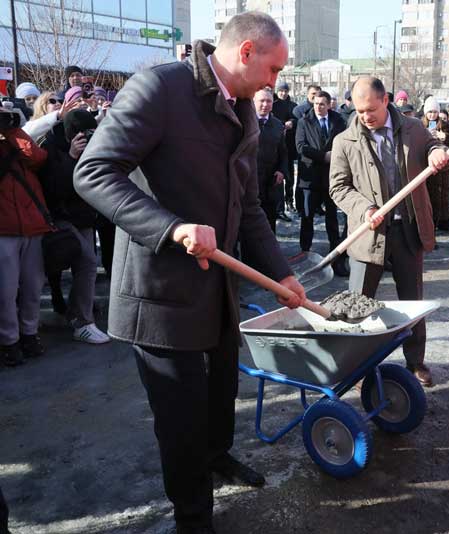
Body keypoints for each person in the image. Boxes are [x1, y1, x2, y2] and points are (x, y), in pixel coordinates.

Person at [74, 12, 306, 533]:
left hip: (217, 283)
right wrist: (172, 227)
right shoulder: (159, 88)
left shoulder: (244, 109)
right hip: (160, 290)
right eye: (273, 69)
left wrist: (280, 274)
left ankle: (218, 458)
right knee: (180, 419)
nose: (276, 83)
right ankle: (193, 515)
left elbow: (248, 207)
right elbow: (92, 172)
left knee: (221, 393)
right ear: (246, 52)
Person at [329, 76, 448, 387]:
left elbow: (434, 144)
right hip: (368, 235)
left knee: (412, 302)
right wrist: (363, 208)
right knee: (357, 303)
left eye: (370, 109)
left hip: (408, 230)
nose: (364, 116)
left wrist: (438, 151)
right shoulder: (345, 140)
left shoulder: (413, 129)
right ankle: (352, 365)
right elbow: (338, 188)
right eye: (358, 110)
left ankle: (416, 363)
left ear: (385, 100)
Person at [40, 110, 111, 343]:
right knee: (89, 262)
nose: (89, 137)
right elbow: (54, 191)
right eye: (84, 133)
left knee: (87, 267)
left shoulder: (94, 145)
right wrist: (71, 158)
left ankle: (79, 313)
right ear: (73, 134)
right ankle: (82, 322)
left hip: (85, 218)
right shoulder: (51, 147)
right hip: (61, 218)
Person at [0, 107, 49, 366]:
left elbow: (37, 157)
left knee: (32, 286)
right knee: (5, 291)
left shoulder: (15, 137)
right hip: (4, 228)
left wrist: (13, 128)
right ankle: (9, 340)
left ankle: (29, 333)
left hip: (32, 224)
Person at [295, 90, 346, 260]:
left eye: (322, 104)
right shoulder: (304, 121)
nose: (318, 107)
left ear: (329, 105)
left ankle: (335, 249)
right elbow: (301, 146)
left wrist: (335, 155)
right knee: (307, 216)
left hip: (331, 176)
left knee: (332, 216)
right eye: (316, 103)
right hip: (310, 177)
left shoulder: (338, 121)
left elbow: (344, 142)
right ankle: (305, 250)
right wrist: (322, 156)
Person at [254, 88, 288, 232]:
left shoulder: (278, 125)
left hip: (270, 182)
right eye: (262, 101)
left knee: (269, 220)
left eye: (268, 101)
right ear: (254, 101)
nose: (265, 104)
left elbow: (283, 153)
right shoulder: (244, 121)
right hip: (249, 181)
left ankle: (269, 252)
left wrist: (281, 171)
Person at [421, 96, 449, 231]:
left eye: (434, 112)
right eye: (429, 112)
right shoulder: (420, 124)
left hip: (443, 166)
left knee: (443, 194)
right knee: (429, 195)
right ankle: (430, 225)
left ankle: (443, 221)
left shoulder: (445, 125)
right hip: (427, 166)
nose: (432, 115)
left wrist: (444, 137)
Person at [272, 81, 297, 213]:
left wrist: (292, 122)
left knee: (290, 177)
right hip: (276, 145)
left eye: (285, 91)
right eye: (281, 91)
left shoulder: (293, 105)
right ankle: (279, 205)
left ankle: (289, 201)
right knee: (278, 176)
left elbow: (297, 118)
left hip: (289, 145)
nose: (283, 93)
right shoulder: (273, 105)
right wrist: (282, 124)